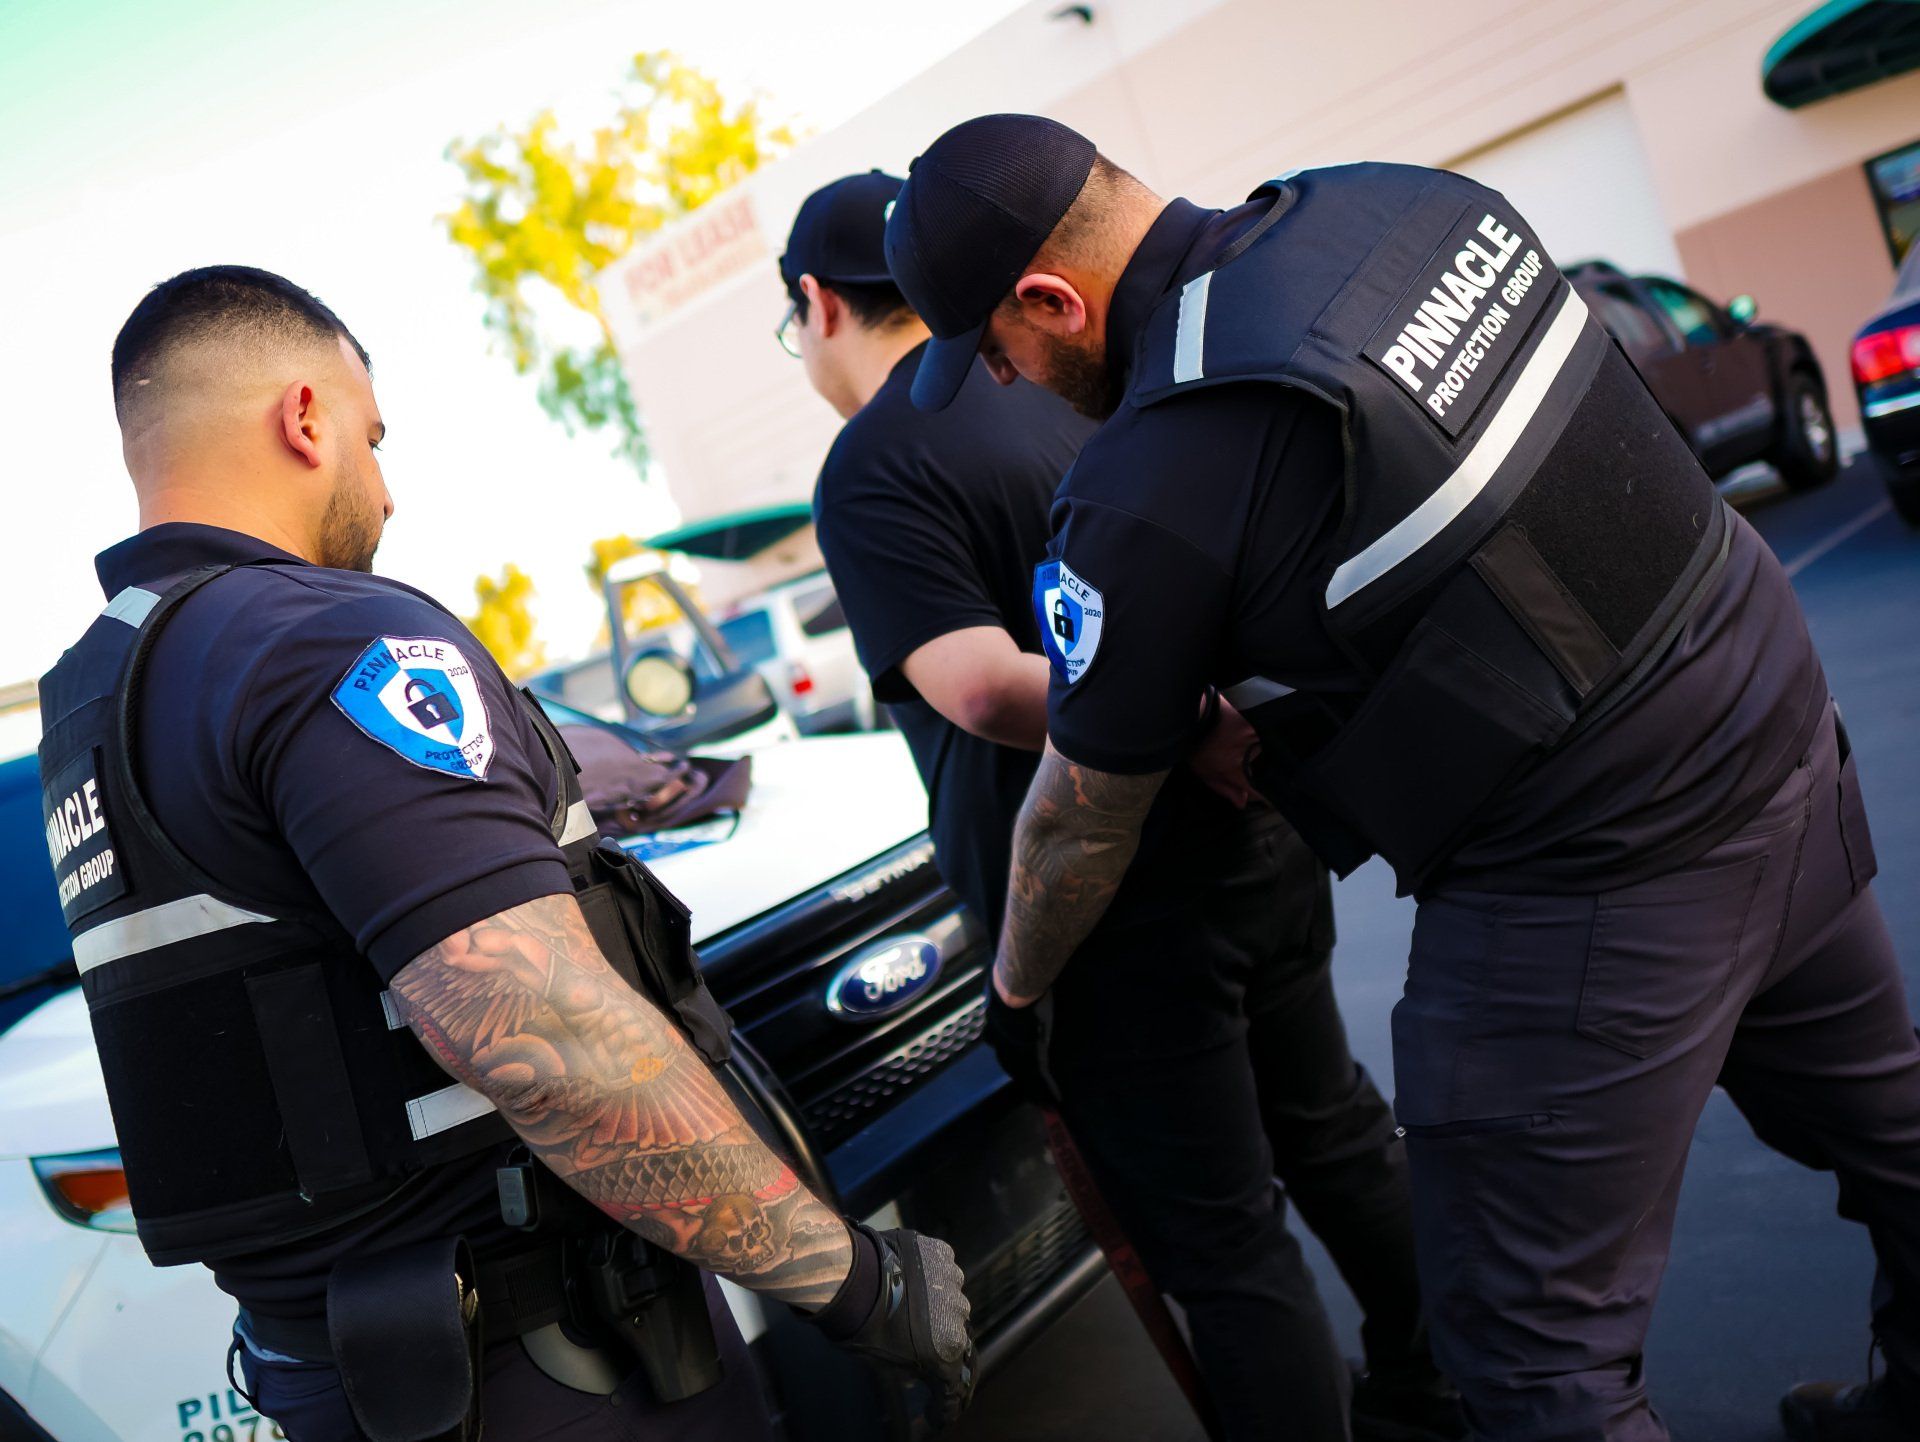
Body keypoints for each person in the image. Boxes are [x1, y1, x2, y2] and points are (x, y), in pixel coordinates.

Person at [882, 113, 1920, 1442]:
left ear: (1050, 295)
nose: (1012, 383)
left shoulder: (1150, 471)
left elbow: (1083, 816)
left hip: (1599, 869)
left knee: (1534, 1357)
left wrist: (1020, 982)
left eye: (1002, 349)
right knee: (1890, 1124)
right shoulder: (1390, 203)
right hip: (1765, 703)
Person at [36, 266, 974, 1442]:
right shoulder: (320, 634)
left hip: (337, 1380)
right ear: (305, 418)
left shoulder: (94, 707)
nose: (387, 489)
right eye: (374, 438)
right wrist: (857, 1281)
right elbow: (542, 1032)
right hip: (552, 1368)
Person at [782, 170, 1461, 1442]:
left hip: (1105, 901)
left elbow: (979, 689)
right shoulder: (1069, 382)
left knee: (1223, 1242)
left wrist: (1164, 719)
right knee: (1335, 1130)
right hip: (1252, 839)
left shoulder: (871, 465)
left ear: (818, 305)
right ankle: (1446, 1385)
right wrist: (1204, 713)